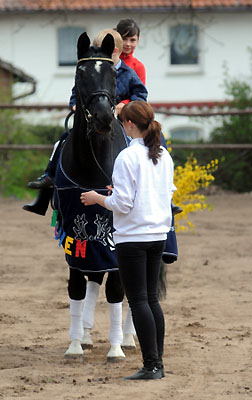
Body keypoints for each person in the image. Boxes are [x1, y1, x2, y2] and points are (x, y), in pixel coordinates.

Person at [80, 101, 176, 380]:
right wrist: (119, 193)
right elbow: (165, 193)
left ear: (130, 124)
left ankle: (152, 365)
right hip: (158, 234)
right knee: (151, 299)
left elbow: (121, 204)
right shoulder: (164, 156)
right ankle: (157, 362)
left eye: (122, 121)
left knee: (138, 301)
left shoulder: (126, 157)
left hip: (132, 237)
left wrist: (99, 198)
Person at [23, 28, 148, 215]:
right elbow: (77, 92)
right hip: (91, 117)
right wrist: (74, 105)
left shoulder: (127, 73)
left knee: (145, 145)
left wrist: (124, 105)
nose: (96, 53)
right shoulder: (89, 69)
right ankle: (49, 181)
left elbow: (140, 94)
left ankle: (153, 190)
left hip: (122, 119)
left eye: (101, 49)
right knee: (62, 141)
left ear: (114, 50)